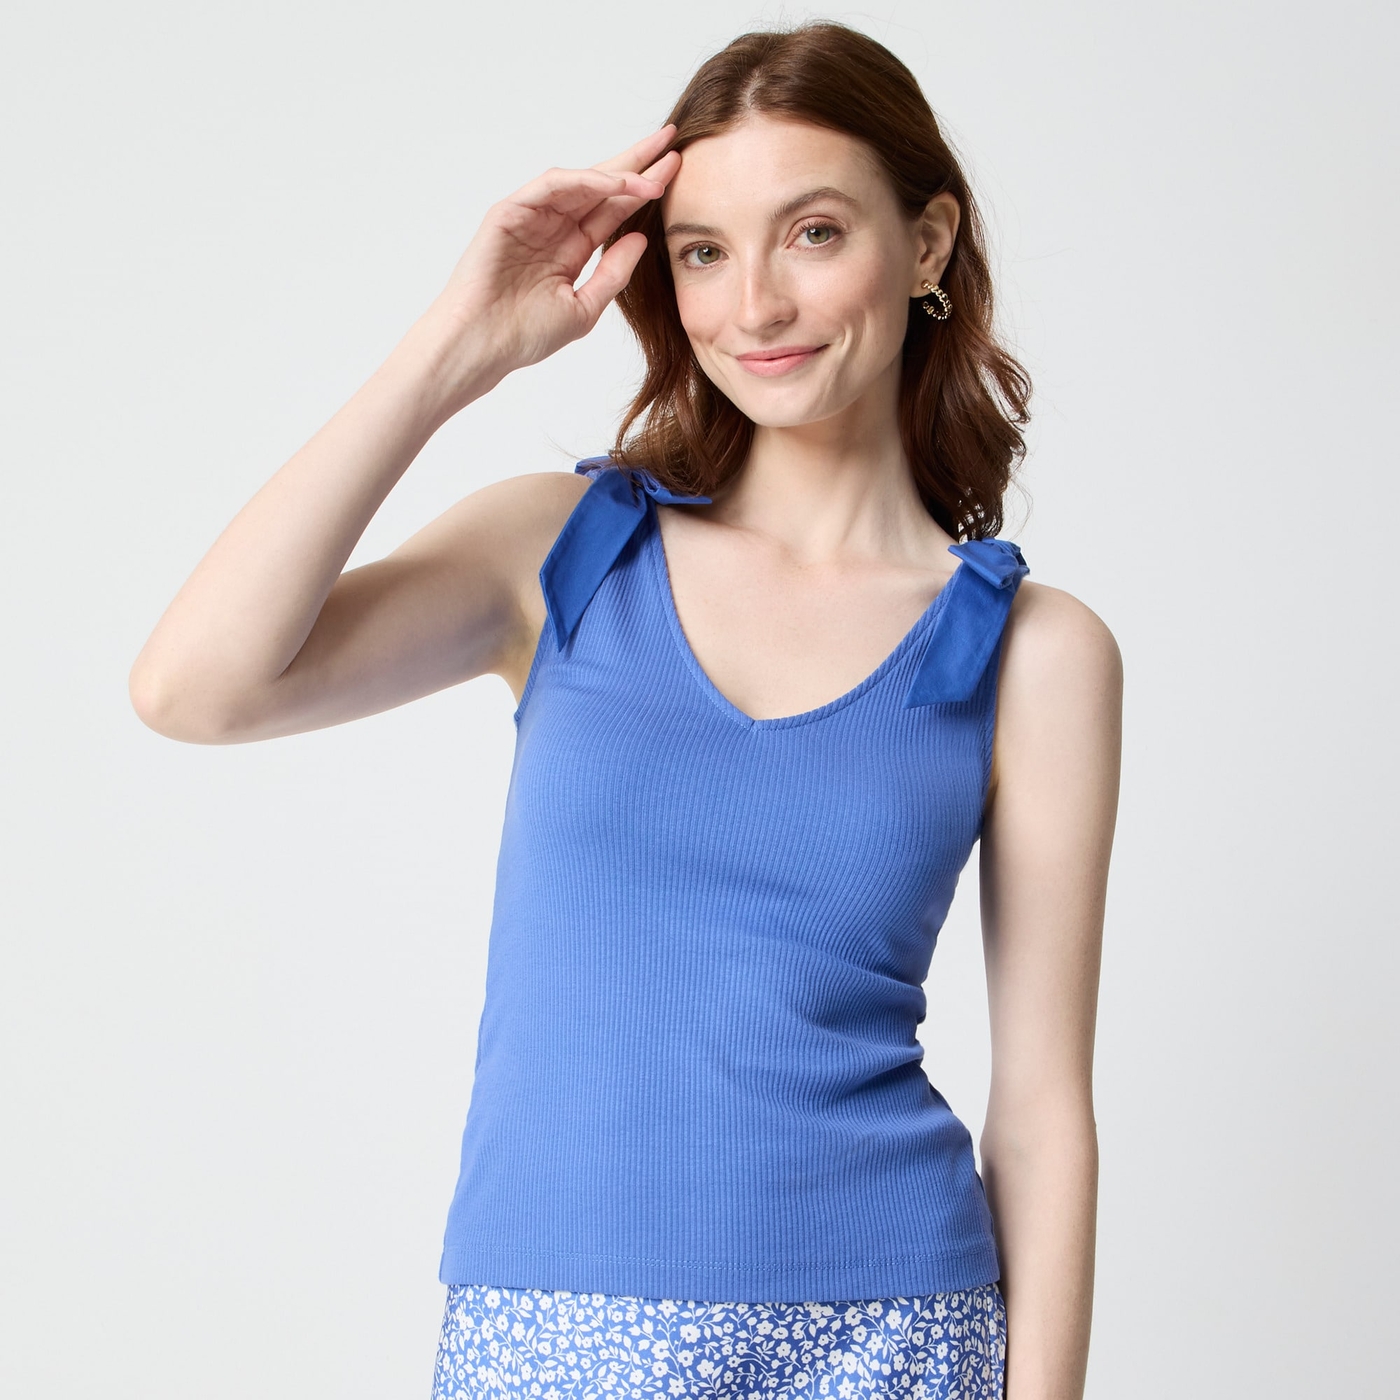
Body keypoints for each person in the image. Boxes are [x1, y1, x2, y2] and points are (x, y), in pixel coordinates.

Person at [130, 21, 1121, 1400]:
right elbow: (195, 688)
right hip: (554, 1328)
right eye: (704, 251)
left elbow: (1043, 1113)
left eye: (814, 233)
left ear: (929, 244)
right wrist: (456, 348)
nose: (754, 305)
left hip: (892, 1332)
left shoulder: (1032, 650)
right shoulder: (566, 553)